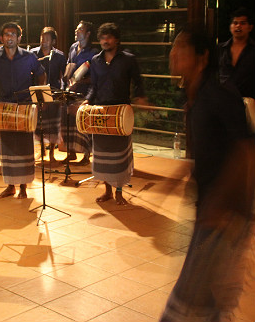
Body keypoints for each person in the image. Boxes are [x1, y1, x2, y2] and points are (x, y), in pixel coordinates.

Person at [159, 26, 255, 321]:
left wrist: (219, 205)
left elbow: (245, 151)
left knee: (191, 300)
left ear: (201, 57)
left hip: (225, 216)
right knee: (207, 300)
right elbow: (213, 151)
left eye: (182, 49)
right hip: (212, 212)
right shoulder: (196, 96)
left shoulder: (218, 94)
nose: (174, 54)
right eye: (174, 48)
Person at [0, 22, 45, 198]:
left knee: (24, 147)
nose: (10, 37)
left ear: (19, 38)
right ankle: (10, 186)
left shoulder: (29, 57)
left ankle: (23, 187)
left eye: (13, 34)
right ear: (1, 38)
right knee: (6, 148)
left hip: (24, 106)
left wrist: (39, 95)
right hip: (4, 106)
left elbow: (41, 73)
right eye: (6, 34)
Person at [83, 22, 147, 205]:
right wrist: (88, 100)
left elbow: (138, 82)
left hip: (121, 113)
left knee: (119, 156)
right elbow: (93, 87)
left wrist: (141, 97)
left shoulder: (128, 59)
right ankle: (108, 191)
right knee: (103, 156)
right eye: (102, 38)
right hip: (101, 113)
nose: (105, 41)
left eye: (109, 37)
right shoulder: (95, 61)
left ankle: (119, 192)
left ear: (117, 40)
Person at [60, 21, 98, 165]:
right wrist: (67, 78)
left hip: (84, 92)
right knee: (68, 122)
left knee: (82, 123)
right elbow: (70, 65)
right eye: (76, 29)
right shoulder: (73, 47)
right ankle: (71, 152)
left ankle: (86, 155)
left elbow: (94, 77)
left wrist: (80, 81)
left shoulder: (93, 52)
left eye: (80, 29)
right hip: (70, 90)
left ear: (88, 34)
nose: (76, 31)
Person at [31, 27, 66, 163]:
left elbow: (64, 75)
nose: (43, 41)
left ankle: (51, 152)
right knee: (38, 123)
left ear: (53, 41)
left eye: (47, 39)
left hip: (54, 93)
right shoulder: (33, 53)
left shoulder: (59, 56)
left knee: (53, 125)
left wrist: (62, 91)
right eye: (42, 38)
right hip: (37, 92)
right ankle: (41, 151)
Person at [218, 7, 255, 99]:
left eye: (243, 23)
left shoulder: (253, 50)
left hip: (248, 102)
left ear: (250, 27)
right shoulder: (220, 49)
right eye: (235, 23)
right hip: (222, 100)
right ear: (230, 27)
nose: (238, 26)